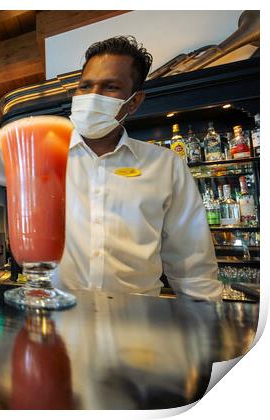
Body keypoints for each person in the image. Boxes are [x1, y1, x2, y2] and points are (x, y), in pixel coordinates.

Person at [57, 35, 222, 300]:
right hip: (55, 321)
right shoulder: (42, 157)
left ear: (134, 101)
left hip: (139, 324)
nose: (93, 96)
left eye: (110, 87)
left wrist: (205, 326)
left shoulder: (165, 165)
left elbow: (192, 265)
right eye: (85, 86)